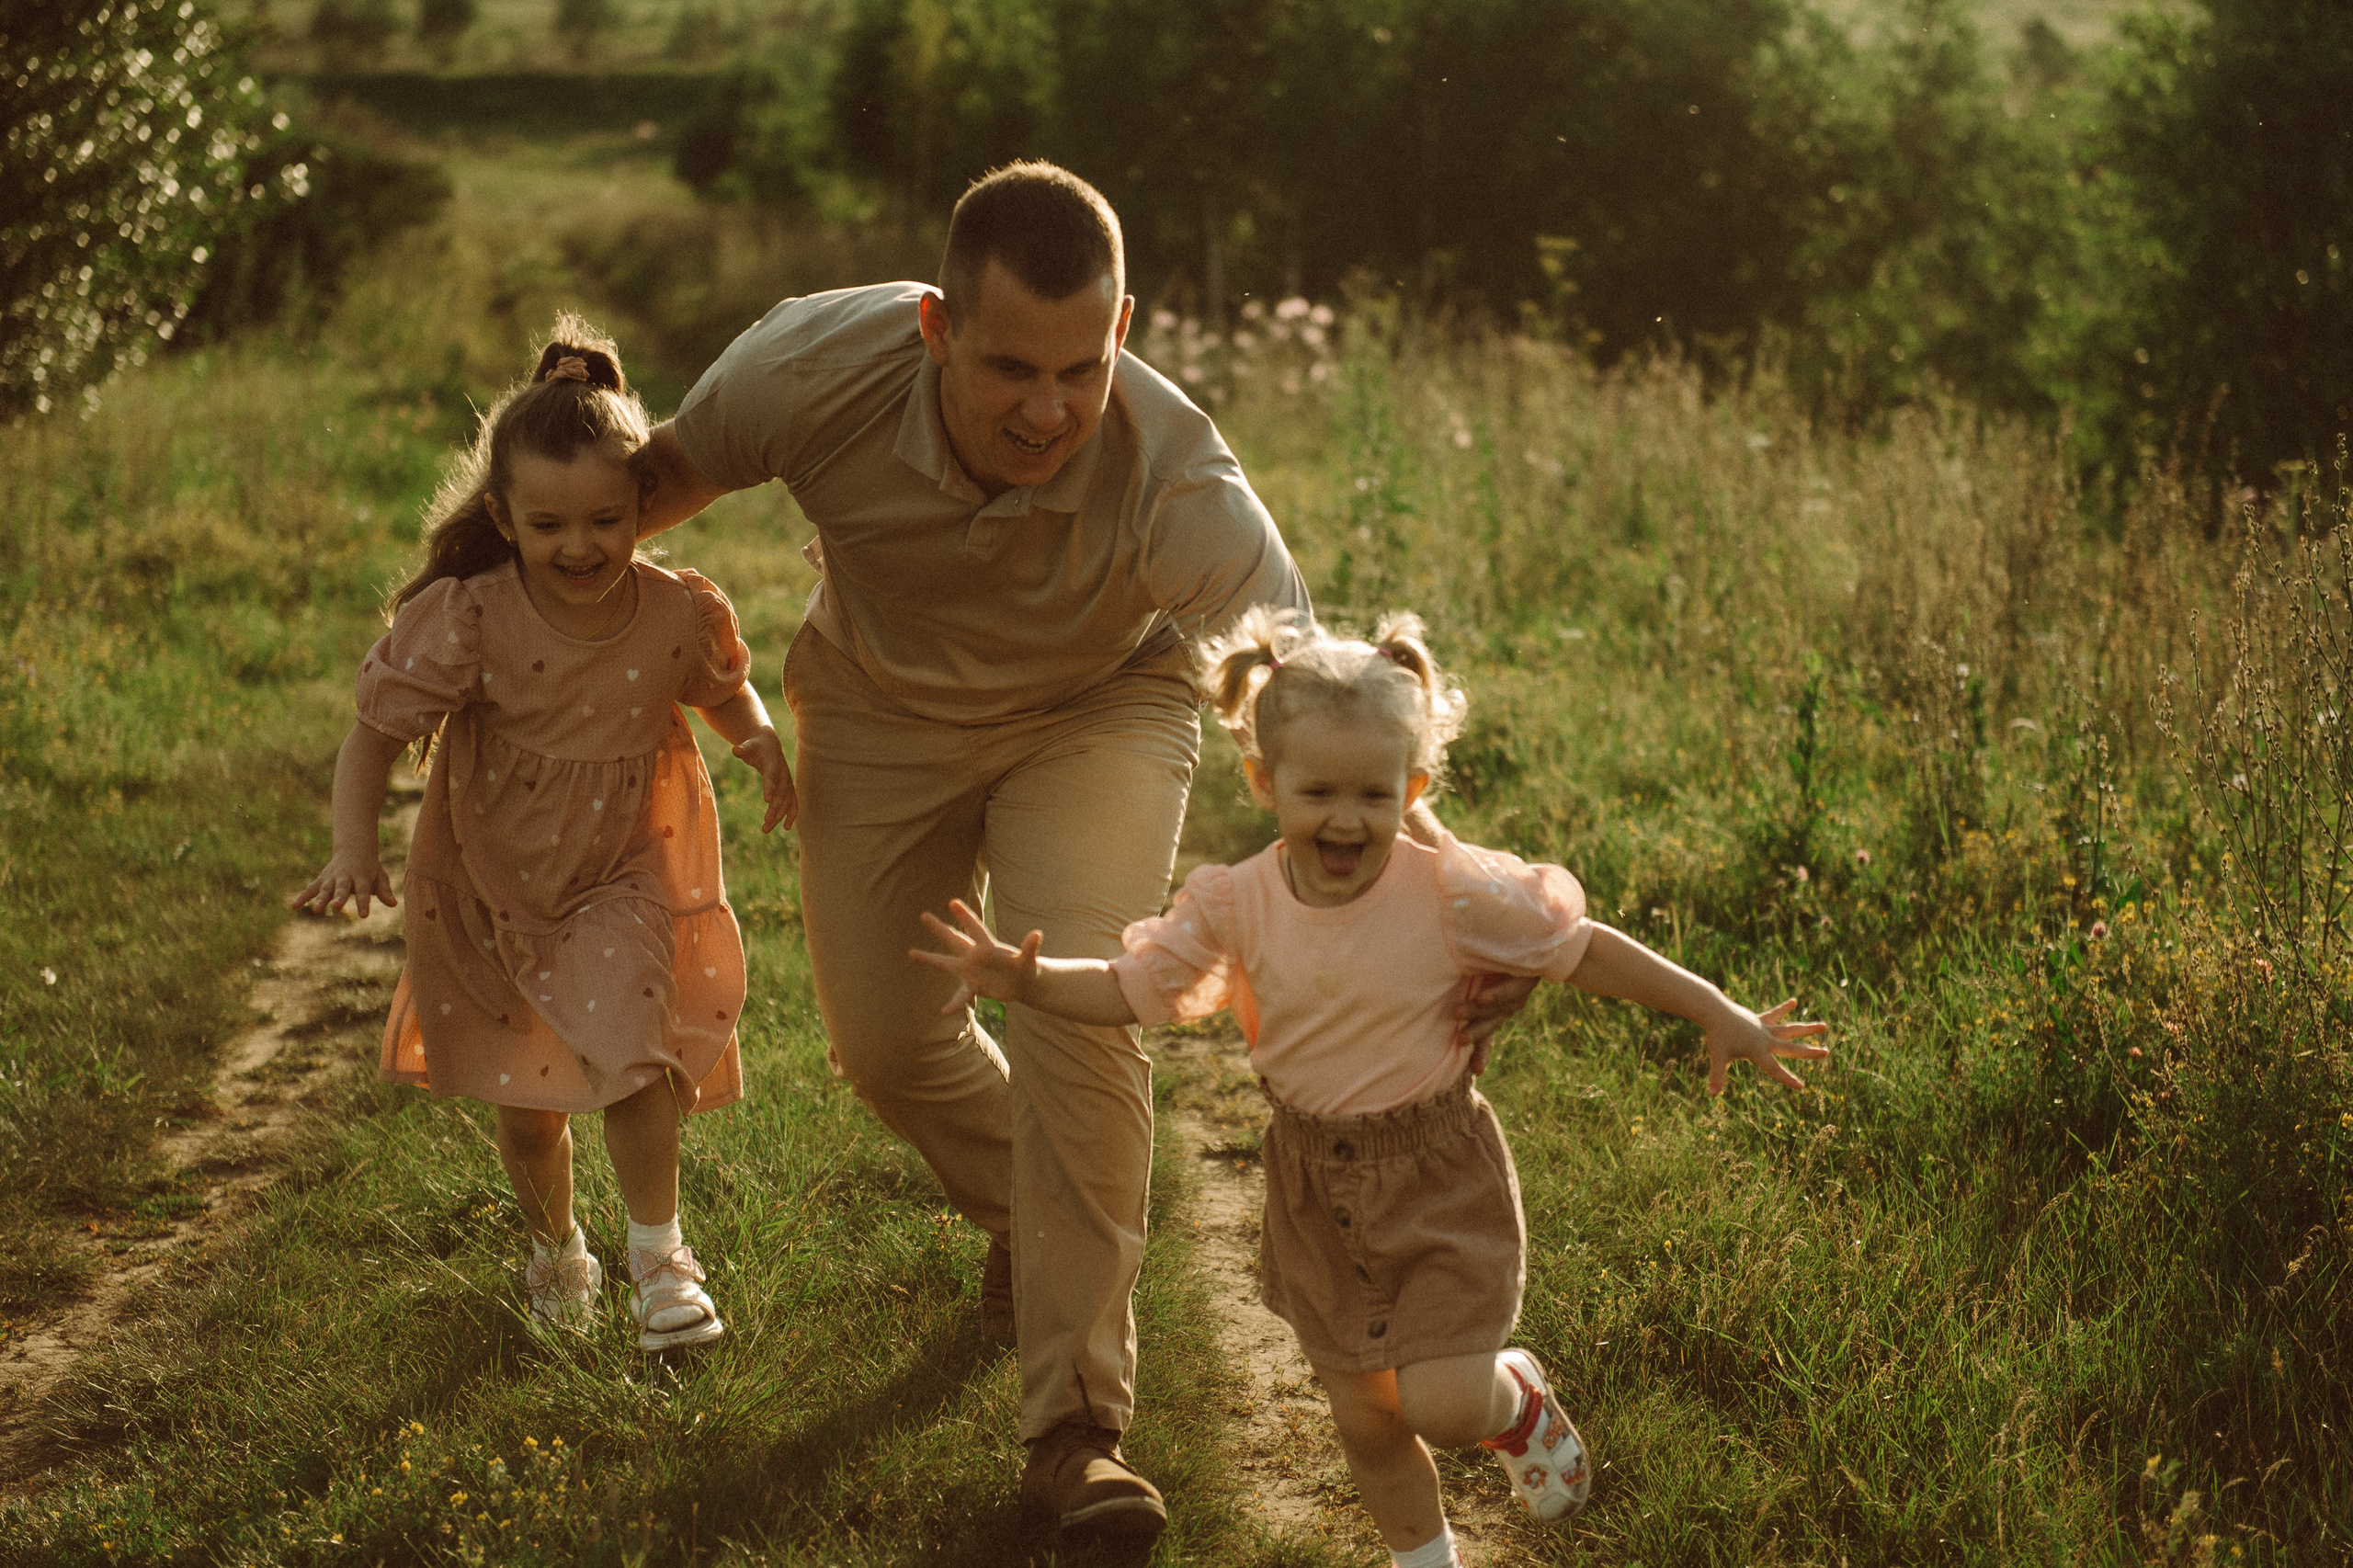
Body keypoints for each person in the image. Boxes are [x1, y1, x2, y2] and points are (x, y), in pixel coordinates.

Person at [633, 160, 1533, 1539]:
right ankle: (1045, 1216)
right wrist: (489, 629)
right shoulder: (813, 367)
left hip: (1098, 711)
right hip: (877, 706)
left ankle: (1075, 1434)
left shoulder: (1182, 480)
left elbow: (1322, 697)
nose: (1049, 410)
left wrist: (1464, 898)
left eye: (1081, 367)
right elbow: (639, 493)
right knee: (884, 1045)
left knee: (1082, 1022)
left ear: (1122, 330)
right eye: (1008, 369)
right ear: (935, 326)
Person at [914, 607, 1831, 1568]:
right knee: (1367, 1417)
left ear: (1415, 787)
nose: (1345, 818)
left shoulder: (1450, 894)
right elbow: (1137, 987)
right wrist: (1030, 980)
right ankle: (1425, 1558)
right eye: (1317, 791)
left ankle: (1512, 1397)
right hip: (1314, 1186)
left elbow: (1582, 949)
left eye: (1373, 793)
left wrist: (1715, 1008)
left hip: (1437, 1172)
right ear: (1264, 783)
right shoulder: (1236, 901)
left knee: (1438, 1400)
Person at [292, 318, 795, 1351]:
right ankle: (556, 1247)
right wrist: (354, 848)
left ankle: (661, 1262)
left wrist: (762, 745)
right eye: (551, 524)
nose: (581, 546)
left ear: (643, 507)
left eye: (606, 520)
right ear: (504, 516)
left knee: (636, 1053)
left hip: (624, 870)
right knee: (530, 1107)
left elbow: (725, 692)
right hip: (491, 882)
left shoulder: (674, 611)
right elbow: (372, 736)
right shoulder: (469, 615)